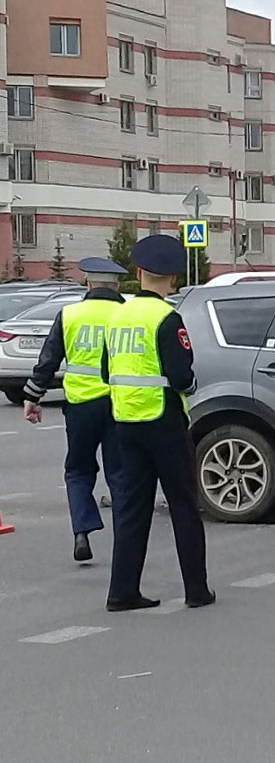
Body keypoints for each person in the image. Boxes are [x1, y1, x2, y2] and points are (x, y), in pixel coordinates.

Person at [104, 235, 214, 612]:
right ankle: (196, 590)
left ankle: (122, 591)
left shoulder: (117, 316)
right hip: (164, 421)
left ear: (137, 274)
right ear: (173, 280)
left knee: (133, 508)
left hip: (125, 421)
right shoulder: (168, 319)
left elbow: (107, 370)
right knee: (183, 504)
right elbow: (182, 376)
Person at [22, 258, 128, 562]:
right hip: (119, 405)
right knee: (120, 474)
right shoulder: (126, 314)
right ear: (117, 285)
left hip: (81, 406)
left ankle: (81, 532)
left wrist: (33, 396)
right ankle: (125, 539)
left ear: (88, 283)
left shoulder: (69, 314)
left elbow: (49, 360)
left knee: (78, 470)